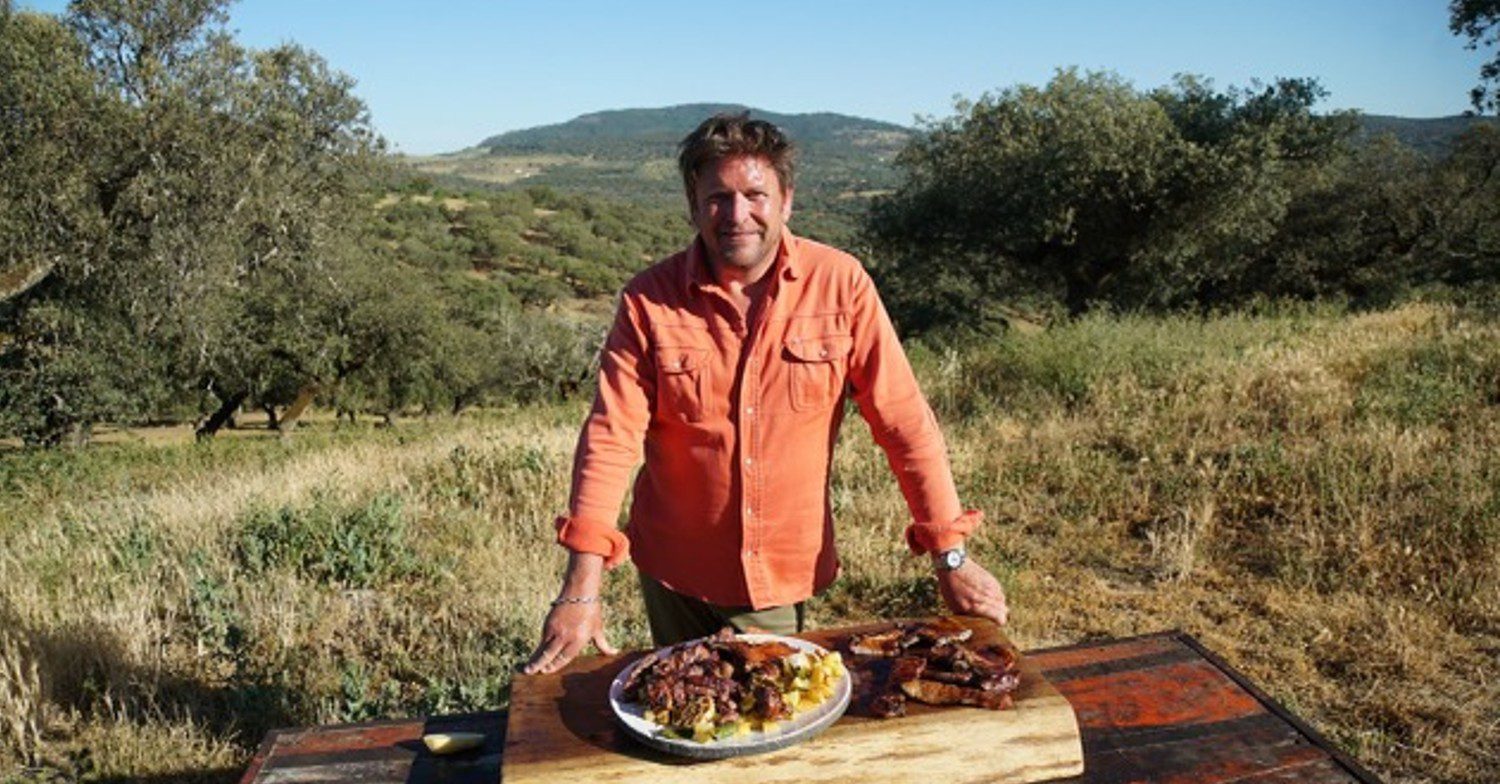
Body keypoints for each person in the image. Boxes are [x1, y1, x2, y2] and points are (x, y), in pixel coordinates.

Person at [523, 112, 1007, 675]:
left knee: (767, 713)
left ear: (786, 200)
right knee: (683, 710)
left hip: (776, 577)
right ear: (692, 202)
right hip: (670, 570)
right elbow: (611, 435)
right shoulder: (648, 300)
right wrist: (582, 587)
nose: (737, 215)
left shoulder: (841, 284)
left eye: (755, 194)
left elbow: (903, 423)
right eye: (717, 197)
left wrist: (951, 557)